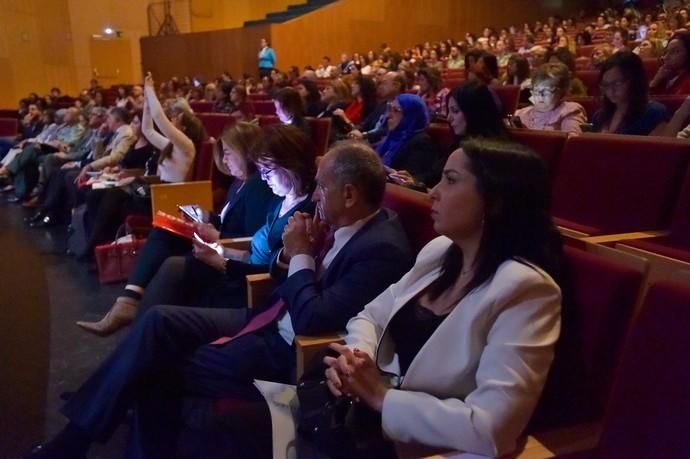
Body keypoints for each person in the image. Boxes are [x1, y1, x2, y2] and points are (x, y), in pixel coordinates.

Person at [27, 140, 413, 459]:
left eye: (322, 187)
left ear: (349, 193)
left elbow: (314, 319)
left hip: (288, 351)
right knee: (160, 321)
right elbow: (285, 278)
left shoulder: (381, 249)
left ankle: (76, 440)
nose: (314, 196)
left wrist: (300, 254)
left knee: (152, 365)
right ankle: (87, 429)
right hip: (269, 316)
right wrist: (288, 256)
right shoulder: (338, 221)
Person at [314, 138, 563, 458]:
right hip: (358, 423)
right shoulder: (441, 252)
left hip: (418, 449)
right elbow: (370, 316)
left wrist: (381, 396)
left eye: (450, 180)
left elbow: (492, 428)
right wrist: (356, 364)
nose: (433, 191)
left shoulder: (527, 291)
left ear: (495, 200)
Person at [76, 122, 275, 336]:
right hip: (217, 242)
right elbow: (232, 221)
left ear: (245, 151)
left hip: (228, 259)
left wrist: (217, 235)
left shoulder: (257, 186)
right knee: (164, 230)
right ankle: (129, 301)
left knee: (171, 260)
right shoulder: (239, 183)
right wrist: (209, 216)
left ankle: (134, 316)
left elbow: (252, 240)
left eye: (228, 153)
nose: (224, 160)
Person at [592, 51, 670, 136]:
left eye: (617, 83)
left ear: (634, 81)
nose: (611, 90)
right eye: (606, 85)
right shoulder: (599, 116)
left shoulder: (654, 113)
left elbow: (656, 148)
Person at [376, 94, 441, 189]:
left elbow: (410, 178)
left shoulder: (421, 142)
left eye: (396, 111)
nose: (389, 115)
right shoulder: (391, 136)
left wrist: (392, 174)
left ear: (410, 116)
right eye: (390, 109)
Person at [513, 63, 588, 135]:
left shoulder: (569, 111)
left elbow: (572, 141)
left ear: (561, 92)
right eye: (536, 90)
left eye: (546, 91)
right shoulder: (519, 114)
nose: (540, 95)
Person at [349, 71, 406, 144]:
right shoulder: (382, 104)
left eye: (384, 83)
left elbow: (385, 131)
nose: (380, 87)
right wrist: (355, 131)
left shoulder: (401, 107)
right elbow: (366, 122)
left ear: (397, 86)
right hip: (364, 140)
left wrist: (364, 135)